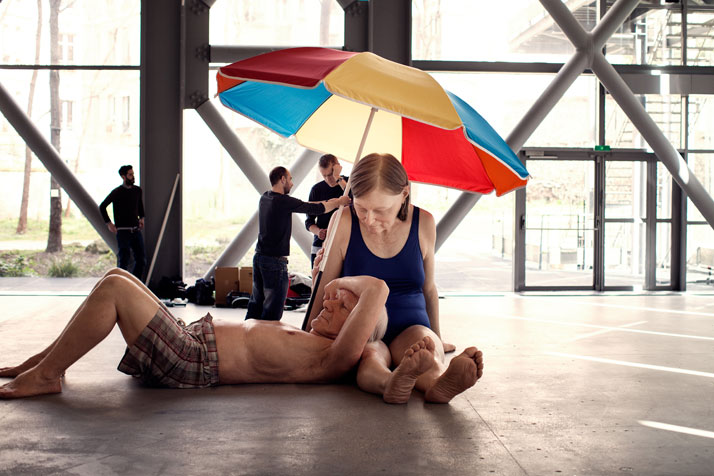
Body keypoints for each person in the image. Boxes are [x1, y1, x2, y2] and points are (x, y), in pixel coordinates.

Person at [0, 268, 391, 399]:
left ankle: (47, 376)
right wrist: (340, 284)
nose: (330, 301)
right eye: (336, 299)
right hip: (190, 338)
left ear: (356, 332)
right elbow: (336, 291)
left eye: (343, 308)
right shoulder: (311, 339)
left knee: (114, 291)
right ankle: (45, 363)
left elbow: (378, 289)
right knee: (115, 276)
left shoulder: (328, 359)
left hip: (193, 359)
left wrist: (356, 289)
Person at [307, 153, 483, 404]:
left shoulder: (424, 222)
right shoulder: (343, 220)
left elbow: (429, 289)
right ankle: (391, 383)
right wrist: (309, 338)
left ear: (404, 194)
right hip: (362, 327)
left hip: (411, 321)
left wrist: (437, 335)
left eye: (381, 211)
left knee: (426, 346)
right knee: (370, 355)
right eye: (361, 208)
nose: (369, 220)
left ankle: (437, 383)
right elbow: (326, 289)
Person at [247, 166, 351, 321]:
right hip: (274, 263)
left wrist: (333, 201)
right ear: (282, 179)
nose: (292, 183)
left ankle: (247, 339)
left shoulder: (265, 197)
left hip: (259, 258)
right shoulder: (282, 201)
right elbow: (315, 208)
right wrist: (339, 202)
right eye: (290, 179)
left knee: (256, 304)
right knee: (272, 310)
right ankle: (265, 342)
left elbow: (312, 204)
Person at [99, 165, 146, 280]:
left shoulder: (137, 190)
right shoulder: (117, 192)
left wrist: (142, 218)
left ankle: (135, 284)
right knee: (123, 261)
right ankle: (121, 285)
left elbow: (140, 206)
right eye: (130, 175)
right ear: (123, 176)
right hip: (123, 231)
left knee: (141, 260)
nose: (132, 176)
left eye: (133, 174)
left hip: (135, 230)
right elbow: (102, 206)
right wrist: (109, 223)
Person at [305, 154, 347, 267]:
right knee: (317, 281)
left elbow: (354, 197)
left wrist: (338, 177)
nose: (328, 179)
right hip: (320, 245)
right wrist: (318, 232)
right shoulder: (316, 189)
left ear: (337, 167)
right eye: (324, 176)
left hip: (343, 243)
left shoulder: (348, 184)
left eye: (330, 174)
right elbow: (308, 222)